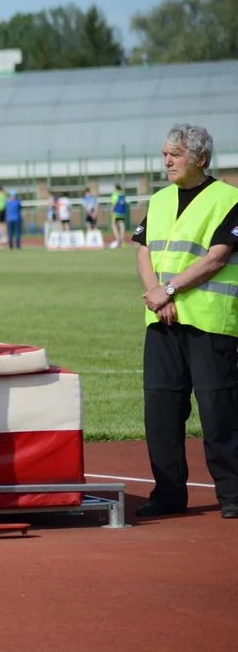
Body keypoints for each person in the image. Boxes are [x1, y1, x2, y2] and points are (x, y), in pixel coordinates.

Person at [131, 123, 238, 520]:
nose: (167, 162)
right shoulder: (158, 200)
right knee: (160, 411)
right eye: (164, 155)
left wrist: (169, 290)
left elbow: (218, 257)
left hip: (209, 323)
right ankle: (169, 493)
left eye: (174, 154)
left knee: (219, 410)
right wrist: (158, 296)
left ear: (201, 158)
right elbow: (144, 251)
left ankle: (233, 493)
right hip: (162, 321)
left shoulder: (230, 199)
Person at [110, 184, 128, 248]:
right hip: (122, 212)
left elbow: (114, 204)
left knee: (113, 225)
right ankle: (122, 241)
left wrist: (111, 212)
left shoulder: (115, 194)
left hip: (116, 212)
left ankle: (118, 239)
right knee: (122, 225)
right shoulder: (122, 194)